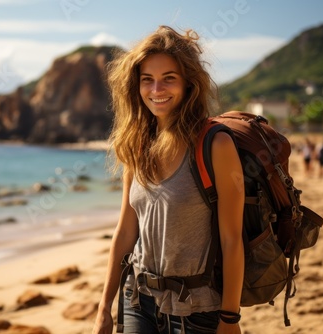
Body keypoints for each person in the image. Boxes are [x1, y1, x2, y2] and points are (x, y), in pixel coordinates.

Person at [93, 26, 245, 334]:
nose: (156, 89)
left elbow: (232, 240)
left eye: (169, 78)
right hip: (137, 299)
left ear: (189, 84)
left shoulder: (215, 145)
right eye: (147, 79)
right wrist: (103, 307)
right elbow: (125, 230)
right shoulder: (137, 144)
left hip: (197, 310)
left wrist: (230, 318)